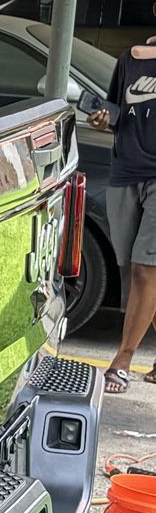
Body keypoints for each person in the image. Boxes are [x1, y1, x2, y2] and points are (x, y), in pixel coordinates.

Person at [92, 37, 156, 391]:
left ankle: (123, 359)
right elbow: (117, 113)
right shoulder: (130, 60)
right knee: (134, 273)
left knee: (146, 268)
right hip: (126, 173)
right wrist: (103, 119)